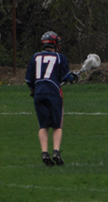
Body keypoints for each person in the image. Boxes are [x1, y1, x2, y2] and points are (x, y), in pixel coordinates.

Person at [25, 31, 78, 166]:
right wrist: (73, 78)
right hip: (54, 94)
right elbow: (66, 77)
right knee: (57, 125)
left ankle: (44, 152)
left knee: (43, 125)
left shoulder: (35, 57)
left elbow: (29, 80)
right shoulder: (60, 57)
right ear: (54, 44)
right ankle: (56, 151)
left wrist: (34, 91)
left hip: (38, 94)